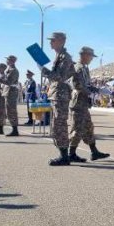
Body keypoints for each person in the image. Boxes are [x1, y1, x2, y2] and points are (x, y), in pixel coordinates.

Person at [68, 47, 110, 162]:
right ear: (85, 55)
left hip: (83, 103)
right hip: (78, 103)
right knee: (77, 128)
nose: (92, 59)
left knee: (88, 127)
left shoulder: (84, 68)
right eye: (91, 56)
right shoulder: (78, 68)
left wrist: (98, 90)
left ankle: (94, 151)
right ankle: (70, 154)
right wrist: (91, 93)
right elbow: (78, 85)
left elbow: (87, 85)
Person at [39, 32, 76, 166]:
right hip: (57, 95)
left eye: (53, 40)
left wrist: (44, 71)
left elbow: (60, 77)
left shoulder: (65, 58)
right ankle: (63, 154)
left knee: (60, 125)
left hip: (61, 95)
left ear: (61, 41)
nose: (50, 42)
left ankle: (64, 156)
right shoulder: (59, 57)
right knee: (56, 125)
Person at [0, 55, 20, 136]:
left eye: (8, 60)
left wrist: (0, 79)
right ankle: (14, 129)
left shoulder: (14, 70)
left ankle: (15, 130)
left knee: (12, 111)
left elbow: (9, 82)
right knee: (9, 110)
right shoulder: (9, 69)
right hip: (8, 91)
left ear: (11, 61)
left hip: (12, 92)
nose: (6, 61)